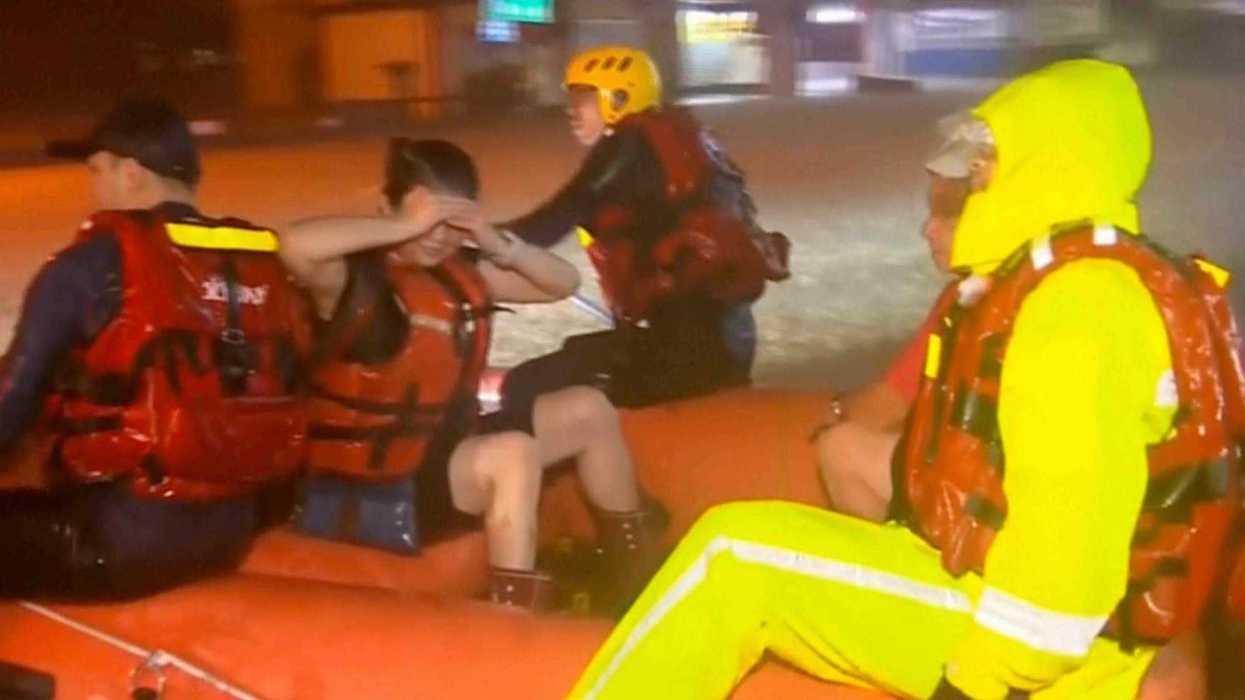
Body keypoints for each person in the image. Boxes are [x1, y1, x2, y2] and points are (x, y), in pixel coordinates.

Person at [570, 59, 1243, 699]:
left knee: (732, 558)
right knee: (749, 535)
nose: (964, 185)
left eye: (980, 168)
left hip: (1056, 655)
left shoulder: (1076, 312)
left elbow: (1063, 564)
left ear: (1042, 173)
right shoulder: (1080, 282)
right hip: (1039, 611)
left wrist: (972, 683)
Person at [278, 138, 660, 610]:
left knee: (587, 408)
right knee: (513, 453)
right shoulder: (347, 281)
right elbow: (295, 245)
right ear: (388, 207)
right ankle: (512, 617)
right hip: (378, 487)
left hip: (446, 455)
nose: (438, 235)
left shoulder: (459, 274)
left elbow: (562, 283)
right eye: (426, 219)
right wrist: (402, 227)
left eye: (452, 223)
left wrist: (493, 240)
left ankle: (636, 578)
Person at [0, 97, 311, 598]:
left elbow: (11, 402)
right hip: (231, 532)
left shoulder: (91, 264)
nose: (91, 188)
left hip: (120, 540)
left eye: (96, 171)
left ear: (130, 174)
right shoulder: (257, 265)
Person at [499, 46, 789, 411]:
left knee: (523, 386)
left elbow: (552, 221)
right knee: (579, 353)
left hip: (683, 356)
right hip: (725, 343)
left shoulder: (629, 143)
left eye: (583, 97)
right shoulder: (686, 137)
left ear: (619, 97)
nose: (571, 110)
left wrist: (476, 239)